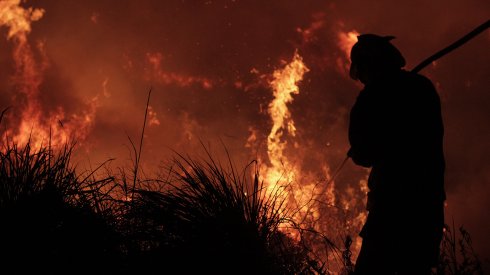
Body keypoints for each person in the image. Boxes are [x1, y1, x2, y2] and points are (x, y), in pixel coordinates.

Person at [348, 34, 446, 275]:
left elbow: (364, 153)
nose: (361, 79)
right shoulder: (422, 88)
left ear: (368, 66)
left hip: (392, 209)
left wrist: (359, 150)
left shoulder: (372, 96)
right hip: (428, 206)